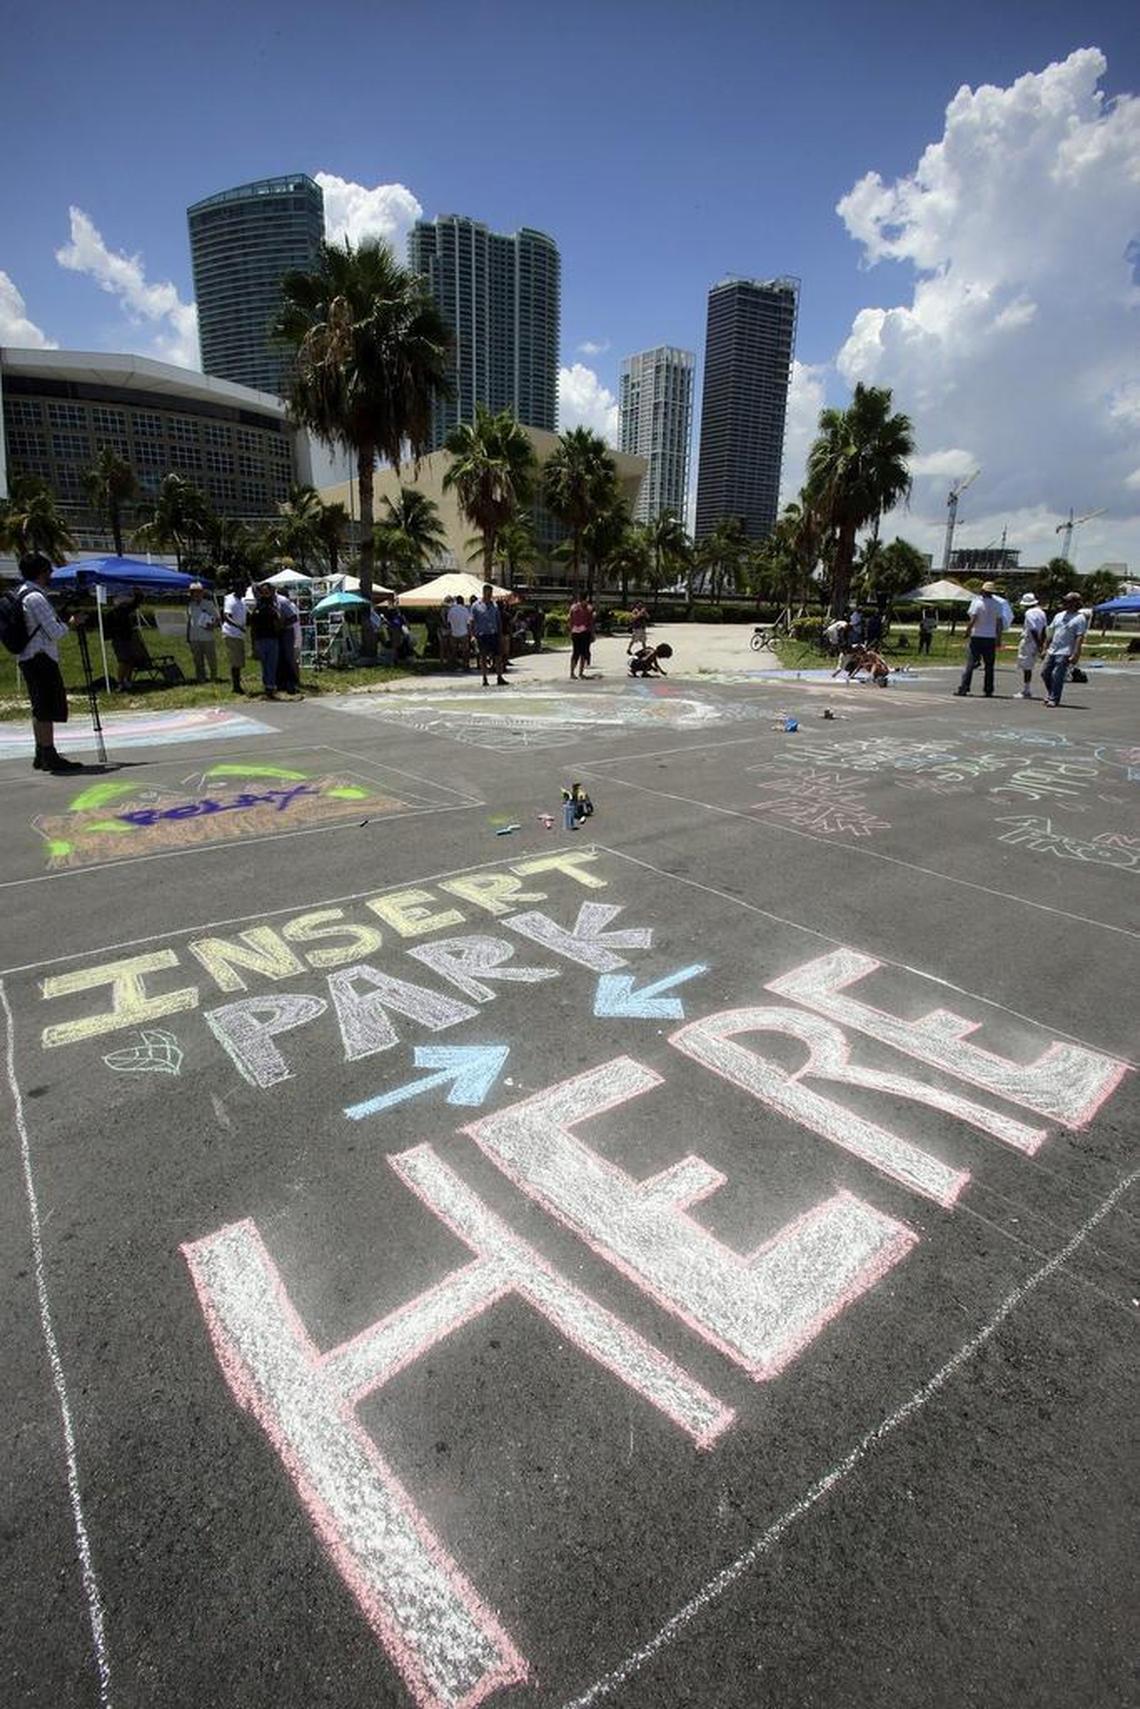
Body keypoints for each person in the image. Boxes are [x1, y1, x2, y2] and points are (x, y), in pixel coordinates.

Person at [8, 552, 84, 773]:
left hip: (27, 656)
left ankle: (41, 752)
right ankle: (49, 754)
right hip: (41, 656)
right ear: (42, 573)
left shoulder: (21, 592)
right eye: (48, 571)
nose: (50, 575)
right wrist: (70, 622)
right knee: (47, 708)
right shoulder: (36, 597)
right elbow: (54, 632)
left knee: (39, 706)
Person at [955, 579, 1005, 697]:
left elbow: (973, 620)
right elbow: (999, 623)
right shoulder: (998, 605)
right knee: (989, 665)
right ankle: (988, 689)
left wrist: (967, 632)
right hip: (990, 637)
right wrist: (999, 638)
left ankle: (964, 687)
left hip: (977, 635)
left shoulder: (977, 602)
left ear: (982, 591)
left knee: (971, 663)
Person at [1041, 591, 1087, 708]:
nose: (1064, 603)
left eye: (1068, 601)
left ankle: (1054, 698)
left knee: (1057, 675)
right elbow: (1051, 632)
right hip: (1053, 649)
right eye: (1065, 601)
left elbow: (1079, 637)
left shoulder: (1080, 618)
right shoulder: (1059, 615)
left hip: (1065, 651)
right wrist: (1045, 647)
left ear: (1075, 603)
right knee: (1045, 673)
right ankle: (1052, 692)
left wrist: (1076, 653)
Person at [104, 588, 149, 691]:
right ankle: (120, 682)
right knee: (124, 661)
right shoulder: (117, 613)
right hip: (120, 640)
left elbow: (135, 604)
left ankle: (126, 680)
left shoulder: (120, 612)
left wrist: (138, 595)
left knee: (129, 660)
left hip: (125, 638)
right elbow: (135, 604)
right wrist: (138, 595)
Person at [248, 582, 283, 698]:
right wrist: (253, 645)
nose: (265, 593)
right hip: (261, 639)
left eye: (267, 591)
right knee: (265, 665)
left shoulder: (273, 606)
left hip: (272, 638)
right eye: (263, 591)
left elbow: (278, 622)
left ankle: (270, 687)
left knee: (271, 665)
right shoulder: (257, 607)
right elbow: (252, 627)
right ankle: (268, 686)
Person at [470, 583, 507, 687]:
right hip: (482, 635)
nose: (490, 595)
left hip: (494, 634)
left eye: (491, 593)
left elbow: (498, 621)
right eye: (488, 593)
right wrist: (472, 636)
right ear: (483, 592)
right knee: (483, 657)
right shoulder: (476, 606)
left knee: (498, 656)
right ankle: (484, 679)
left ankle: (499, 677)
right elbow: (472, 621)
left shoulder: (494, 605)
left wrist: (500, 635)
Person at [185, 582, 220, 683]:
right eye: (193, 592)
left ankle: (213, 678)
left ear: (202, 593)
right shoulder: (190, 605)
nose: (196, 594)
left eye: (198, 592)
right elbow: (189, 621)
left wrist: (212, 626)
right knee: (197, 660)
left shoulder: (209, 604)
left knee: (211, 659)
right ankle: (201, 679)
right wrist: (188, 636)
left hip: (207, 637)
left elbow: (217, 618)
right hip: (194, 637)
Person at [1016, 592, 1047, 699]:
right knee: (1030, 665)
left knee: (1026, 667)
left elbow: (1033, 629)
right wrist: (1042, 643)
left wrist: (1039, 645)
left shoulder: (1029, 613)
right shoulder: (1042, 612)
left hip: (1029, 641)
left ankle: (1026, 690)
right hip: (1037, 640)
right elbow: (1043, 629)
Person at [222, 582, 249, 694]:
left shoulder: (241, 601)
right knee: (235, 661)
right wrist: (238, 626)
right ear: (237, 589)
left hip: (239, 635)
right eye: (243, 589)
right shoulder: (230, 600)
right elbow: (227, 616)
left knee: (239, 661)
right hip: (232, 633)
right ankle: (236, 686)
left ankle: (237, 684)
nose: (245, 592)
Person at [275, 590, 301, 693]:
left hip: (291, 634)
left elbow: (293, 619)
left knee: (290, 660)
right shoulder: (292, 605)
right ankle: (294, 681)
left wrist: (281, 625)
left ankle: (293, 682)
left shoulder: (287, 605)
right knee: (293, 660)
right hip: (294, 634)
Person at [568, 592, 595, 679]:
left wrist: (571, 630)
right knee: (581, 653)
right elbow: (590, 623)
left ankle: (574, 673)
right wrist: (592, 634)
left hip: (576, 632)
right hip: (583, 632)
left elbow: (570, 621)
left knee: (578, 653)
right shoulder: (588, 609)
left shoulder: (573, 607)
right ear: (586, 598)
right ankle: (578, 673)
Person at [447, 594, 472, 669]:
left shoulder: (451, 610)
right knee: (466, 650)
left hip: (454, 632)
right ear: (463, 601)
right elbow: (468, 622)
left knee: (454, 650)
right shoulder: (465, 610)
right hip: (463, 632)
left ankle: (454, 665)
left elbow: (448, 622)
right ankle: (466, 664)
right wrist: (469, 632)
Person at [438, 596, 454, 667]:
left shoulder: (443, 608)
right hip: (444, 628)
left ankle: (446, 661)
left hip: (443, 628)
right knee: (446, 646)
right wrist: (447, 625)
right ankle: (446, 661)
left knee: (446, 646)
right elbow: (444, 619)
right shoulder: (446, 609)